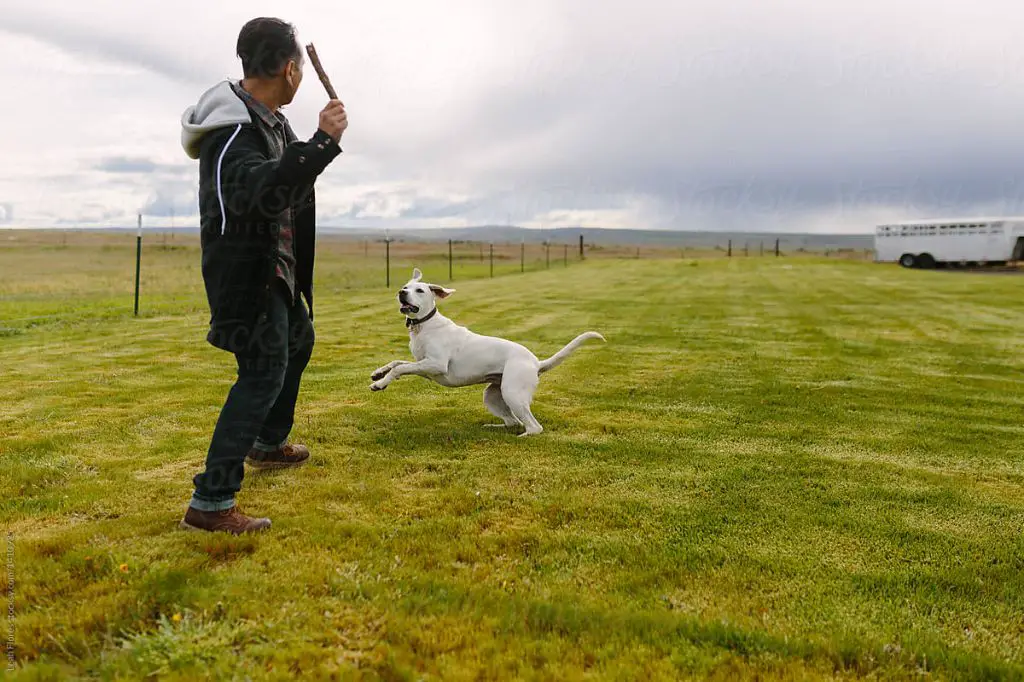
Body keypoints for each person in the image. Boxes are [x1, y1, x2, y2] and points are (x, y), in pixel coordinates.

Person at [177, 17, 348, 534]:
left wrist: (315, 146)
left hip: (277, 268)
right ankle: (210, 502)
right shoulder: (232, 131)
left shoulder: (267, 119)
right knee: (261, 372)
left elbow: (287, 183)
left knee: (299, 339)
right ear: (291, 69)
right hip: (247, 271)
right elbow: (261, 194)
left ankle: (267, 443)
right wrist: (322, 141)